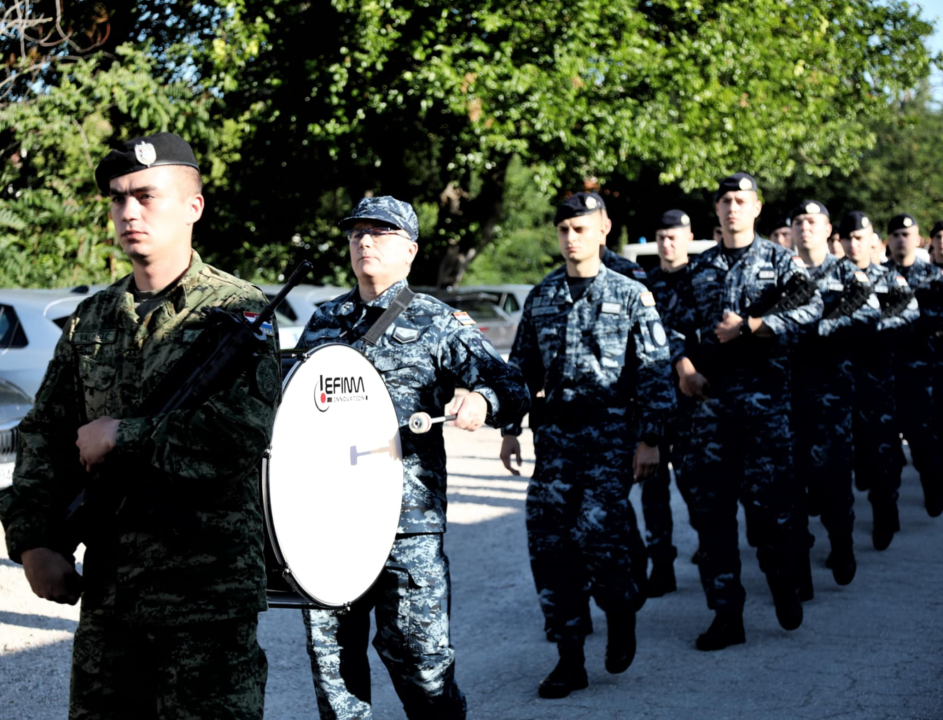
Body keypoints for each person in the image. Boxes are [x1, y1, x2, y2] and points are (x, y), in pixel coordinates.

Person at [0, 132, 279, 718]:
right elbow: (46, 432)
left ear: (193, 206)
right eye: (118, 198)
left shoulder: (238, 312)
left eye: (146, 196)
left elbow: (240, 433)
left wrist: (123, 435)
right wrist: (33, 542)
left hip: (207, 600)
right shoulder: (93, 317)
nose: (129, 212)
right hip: (112, 595)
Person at [296, 196, 529, 720]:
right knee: (334, 671)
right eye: (357, 232)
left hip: (407, 524)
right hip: (331, 522)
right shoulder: (325, 321)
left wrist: (483, 399)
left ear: (410, 250)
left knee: (421, 666)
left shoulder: (436, 321)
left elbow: (511, 385)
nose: (365, 241)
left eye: (380, 232)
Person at [500, 192, 675, 699]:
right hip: (555, 441)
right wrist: (510, 428)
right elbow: (521, 371)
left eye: (580, 228)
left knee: (598, 536)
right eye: (564, 230)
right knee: (549, 546)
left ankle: (621, 610)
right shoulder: (543, 296)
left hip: (610, 440)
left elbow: (656, 371)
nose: (571, 238)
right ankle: (569, 658)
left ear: (603, 230)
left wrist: (650, 440)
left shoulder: (631, 294)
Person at [672, 172, 822, 651]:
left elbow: (811, 310)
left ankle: (783, 584)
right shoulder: (699, 268)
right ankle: (726, 616)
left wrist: (752, 326)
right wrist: (684, 368)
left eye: (742, 200)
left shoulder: (781, 262)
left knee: (771, 515)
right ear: (716, 210)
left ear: (757, 208)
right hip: (710, 413)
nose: (733, 207)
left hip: (765, 413)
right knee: (713, 520)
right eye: (725, 201)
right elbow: (671, 327)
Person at [837, 211, 918, 549]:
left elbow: (910, 312)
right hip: (837, 386)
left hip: (877, 384)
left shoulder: (888, 278)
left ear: (871, 239)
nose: (853, 244)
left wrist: (869, 327)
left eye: (859, 238)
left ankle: (885, 514)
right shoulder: (830, 278)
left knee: (882, 455)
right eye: (847, 238)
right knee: (840, 461)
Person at [645, 208, 699, 581]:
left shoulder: (702, 279)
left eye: (674, 237)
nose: (667, 244)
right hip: (653, 397)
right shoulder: (645, 284)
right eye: (662, 237)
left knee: (694, 480)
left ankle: (709, 545)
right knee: (652, 485)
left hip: (690, 397)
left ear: (688, 238)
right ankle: (661, 564)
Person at [884, 214, 943, 519]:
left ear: (918, 239)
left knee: (924, 442)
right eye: (895, 234)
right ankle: (887, 511)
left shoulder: (935, 277)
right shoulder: (878, 276)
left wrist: (907, 319)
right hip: (885, 374)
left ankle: (933, 490)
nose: (900, 239)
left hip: (923, 373)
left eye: (906, 234)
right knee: (885, 450)